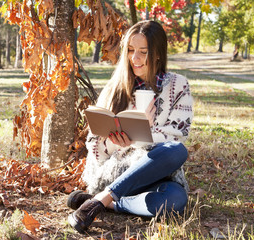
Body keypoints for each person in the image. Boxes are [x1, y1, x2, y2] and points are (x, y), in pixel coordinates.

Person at [67, 20, 194, 234]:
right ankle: (104, 197)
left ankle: (105, 201)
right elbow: (95, 149)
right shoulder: (114, 88)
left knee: (176, 197)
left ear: (157, 54)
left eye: (143, 52)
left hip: (159, 172)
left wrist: (142, 134)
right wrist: (117, 144)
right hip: (116, 173)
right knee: (172, 152)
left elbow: (178, 134)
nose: (135, 58)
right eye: (131, 50)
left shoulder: (178, 85)